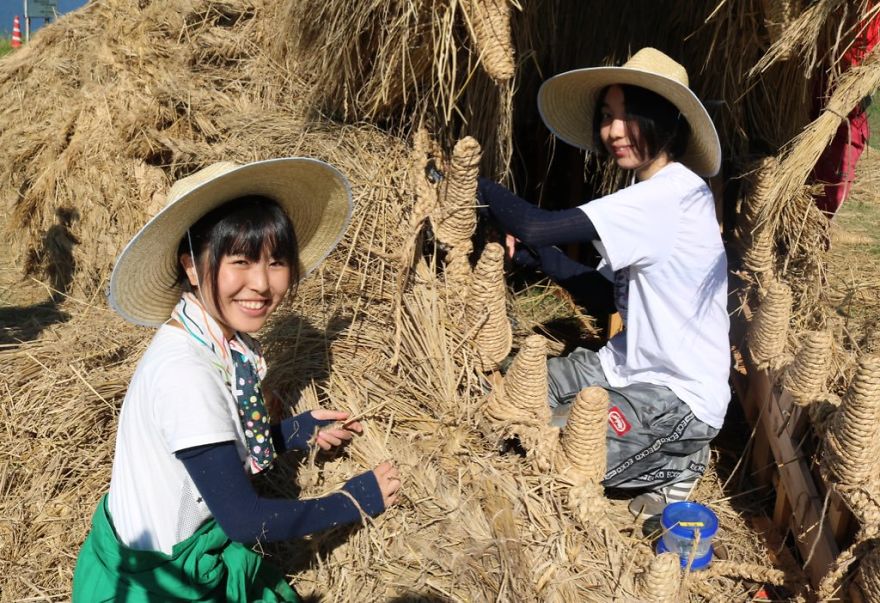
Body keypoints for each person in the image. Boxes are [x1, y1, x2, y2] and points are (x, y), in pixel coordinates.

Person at [72, 158, 401, 601]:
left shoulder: (209, 342)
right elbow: (244, 520)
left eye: (276, 261)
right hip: (159, 585)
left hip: (160, 554)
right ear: (191, 266)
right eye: (241, 261)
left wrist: (292, 432)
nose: (262, 283)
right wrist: (351, 501)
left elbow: (211, 462)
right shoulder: (185, 374)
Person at [479, 48, 730, 516]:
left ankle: (679, 462)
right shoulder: (650, 191)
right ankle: (658, 449)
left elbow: (535, 224)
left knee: (551, 453)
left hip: (676, 397)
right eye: (607, 116)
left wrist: (475, 184)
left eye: (627, 116)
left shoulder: (669, 196)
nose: (613, 131)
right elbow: (604, 294)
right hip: (620, 366)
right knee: (506, 398)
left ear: (665, 121)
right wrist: (538, 258)